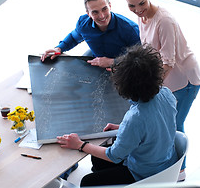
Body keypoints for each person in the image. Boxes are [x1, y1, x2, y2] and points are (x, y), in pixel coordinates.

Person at [57, 44, 178, 186]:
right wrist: (122, 128)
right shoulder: (166, 93)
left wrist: (80, 144)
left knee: (87, 182)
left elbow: (114, 156)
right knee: (97, 159)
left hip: (145, 174)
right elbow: (156, 124)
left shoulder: (135, 117)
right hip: (166, 161)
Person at [122, 0, 200, 180]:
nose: (137, 10)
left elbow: (168, 61)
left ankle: (179, 171)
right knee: (164, 121)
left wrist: (149, 87)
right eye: (132, 5)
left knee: (174, 123)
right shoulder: (143, 17)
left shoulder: (164, 21)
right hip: (165, 79)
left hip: (183, 79)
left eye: (141, 3)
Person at [41, 0, 140, 68]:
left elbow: (139, 59)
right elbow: (74, 37)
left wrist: (113, 62)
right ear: (88, 13)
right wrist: (59, 48)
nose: (101, 16)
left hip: (124, 66)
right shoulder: (83, 23)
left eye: (104, 9)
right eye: (95, 12)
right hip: (96, 59)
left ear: (110, 6)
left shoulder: (130, 29)